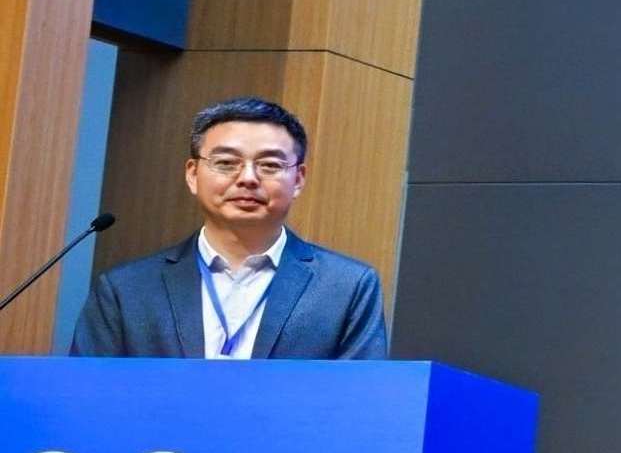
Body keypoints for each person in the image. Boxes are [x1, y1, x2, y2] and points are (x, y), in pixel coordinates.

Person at [70, 96, 388, 358]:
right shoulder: (126, 289)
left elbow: (360, 401)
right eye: (226, 163)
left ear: (298, 179)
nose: (248, 178)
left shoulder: (346, 287)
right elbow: (88, 395)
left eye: (270, 165)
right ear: (193, 174)